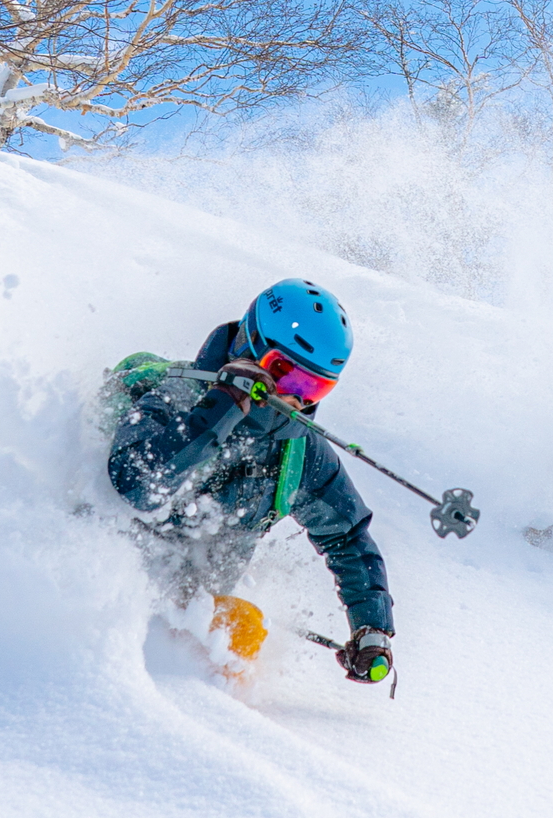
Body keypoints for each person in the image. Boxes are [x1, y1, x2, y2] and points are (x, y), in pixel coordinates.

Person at [106, 277, 395, 683]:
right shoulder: (178, 395)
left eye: (315, 388)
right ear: (250, 344)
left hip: (191, 608)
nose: (296, 399)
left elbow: (346, 536)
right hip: (108, 587)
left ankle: (210, 721)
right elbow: (137, 484)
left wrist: (372, 628)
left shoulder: (297, 449)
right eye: (288, 375)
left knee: (243, 631)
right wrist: (221, 409)